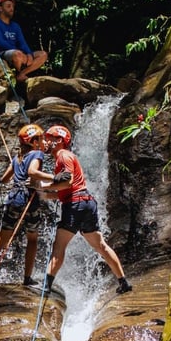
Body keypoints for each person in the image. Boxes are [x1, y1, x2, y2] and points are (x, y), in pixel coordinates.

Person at [37, 124, 131, 296]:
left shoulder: (63, 155)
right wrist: (46, 196)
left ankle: (46, 287)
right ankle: (123, 281)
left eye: (49, 138)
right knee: (100, 245)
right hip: (86, 202)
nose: (46, 142)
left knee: (59, 246)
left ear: (59, 141)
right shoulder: (65, 156)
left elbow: (68, 181)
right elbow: (69, 190)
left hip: (76, 203)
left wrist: (46, 185)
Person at [0, 123, 49, 286]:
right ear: (33, 141)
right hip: (29, 198)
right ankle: (27, 278)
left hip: (13, 197)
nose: (43, 141)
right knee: (32, 239)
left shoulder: (18, 157)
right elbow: (33, 171)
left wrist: (18, 173)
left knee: (1, 239)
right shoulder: (37, 154)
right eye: (40, 138)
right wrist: (52, 177)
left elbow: (4, 179)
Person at [0, 0, 48, 81]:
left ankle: (22, 74)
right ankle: (18, 79)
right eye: (8, 6)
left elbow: (22, 43)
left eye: (12, 6)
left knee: (43, 54)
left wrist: (29, 54)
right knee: (17, 54)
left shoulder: (15, 26)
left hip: (16, 53)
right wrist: (21, 52)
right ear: (0, 9)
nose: (12, 8)